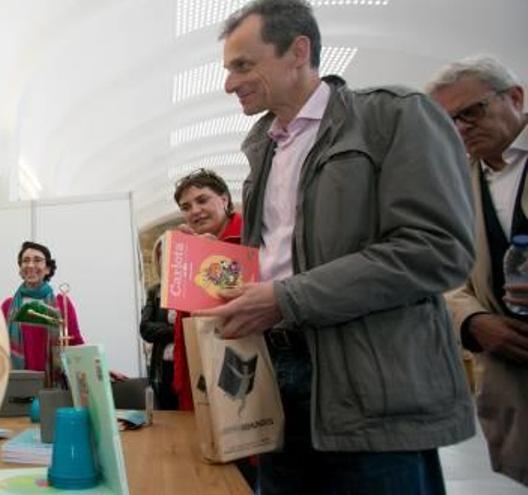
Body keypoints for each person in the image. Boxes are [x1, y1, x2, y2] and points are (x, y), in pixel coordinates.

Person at [196, 1, 476, 493]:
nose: (229, 84)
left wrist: (286, 298)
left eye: (243, 65)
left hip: (369, 392)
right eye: (228, 69)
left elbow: (436, 249)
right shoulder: (263, 149)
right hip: (280, 383)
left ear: (298, 51)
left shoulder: (393, 116)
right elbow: (281, 258)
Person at [428, 56, 528, 487]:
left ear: (516, 98)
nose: (461, 128)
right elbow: (437, 269)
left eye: (471, 112)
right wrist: (471, 319)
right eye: (450, 120)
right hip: (512, 367)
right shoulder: (450, 183)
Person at [170, 168, 242, 411]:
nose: (195, 211)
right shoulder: (187, 248)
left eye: (202, 200)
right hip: (198, 366)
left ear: (224, 199)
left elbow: (248, 298)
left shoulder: (251, 236)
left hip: (240, 366)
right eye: (186, 207)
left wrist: (217, 255)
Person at [2, 241, 85, 372]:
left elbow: (75, 344)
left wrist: (100, 369)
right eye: (26, 260)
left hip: (53, 385)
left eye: (37, 260)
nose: (30, 265)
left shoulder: (62, 304)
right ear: (21, 269)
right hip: (18, 386)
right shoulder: (7, 306)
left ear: (47, 269)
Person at [139, 235, 178, 410]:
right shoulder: (155, 291)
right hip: (163, 368)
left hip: (191, 364)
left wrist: (168, 331)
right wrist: (177, 331)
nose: (165, 257)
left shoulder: (195, 287)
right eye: (161, 253)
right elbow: (146, 329)